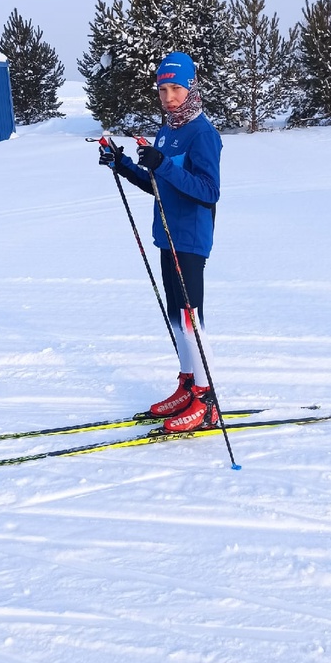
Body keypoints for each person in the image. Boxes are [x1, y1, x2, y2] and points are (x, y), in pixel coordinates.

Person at [98, 51, 223, 433]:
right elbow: (159, 185)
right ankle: (188, 383)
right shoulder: (167, 131)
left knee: (191, 319)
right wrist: (122, 164)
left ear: (191, 88)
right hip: (166, 234)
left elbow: (208, 191)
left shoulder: (203, 133)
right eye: (163, 89)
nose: (169, 97)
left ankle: (207, 400)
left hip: (190, 237)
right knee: (176, 318)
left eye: (176, 88)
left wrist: (163, 164)